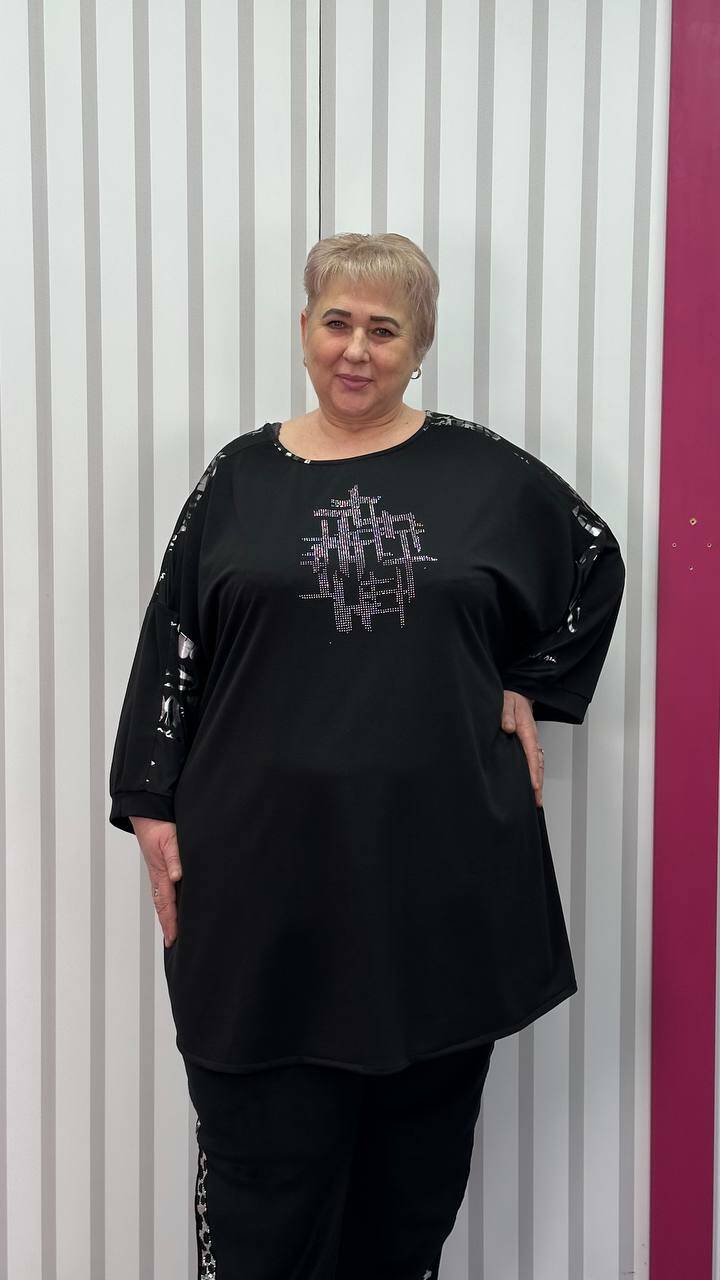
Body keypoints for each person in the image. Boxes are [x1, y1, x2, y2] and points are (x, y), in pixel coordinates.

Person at [108, 232, 626, 1279]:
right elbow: (176, 636)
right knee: (263, 1186)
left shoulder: (484, 472)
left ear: (419, 347)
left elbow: (593, 562)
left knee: (409, 1189)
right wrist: (150, 796)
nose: (357, 348)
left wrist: (531, 683)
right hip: (260, 885)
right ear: (305, 329)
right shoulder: (241, 477)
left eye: (384, 329)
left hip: (440, 880)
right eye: (337, 321)